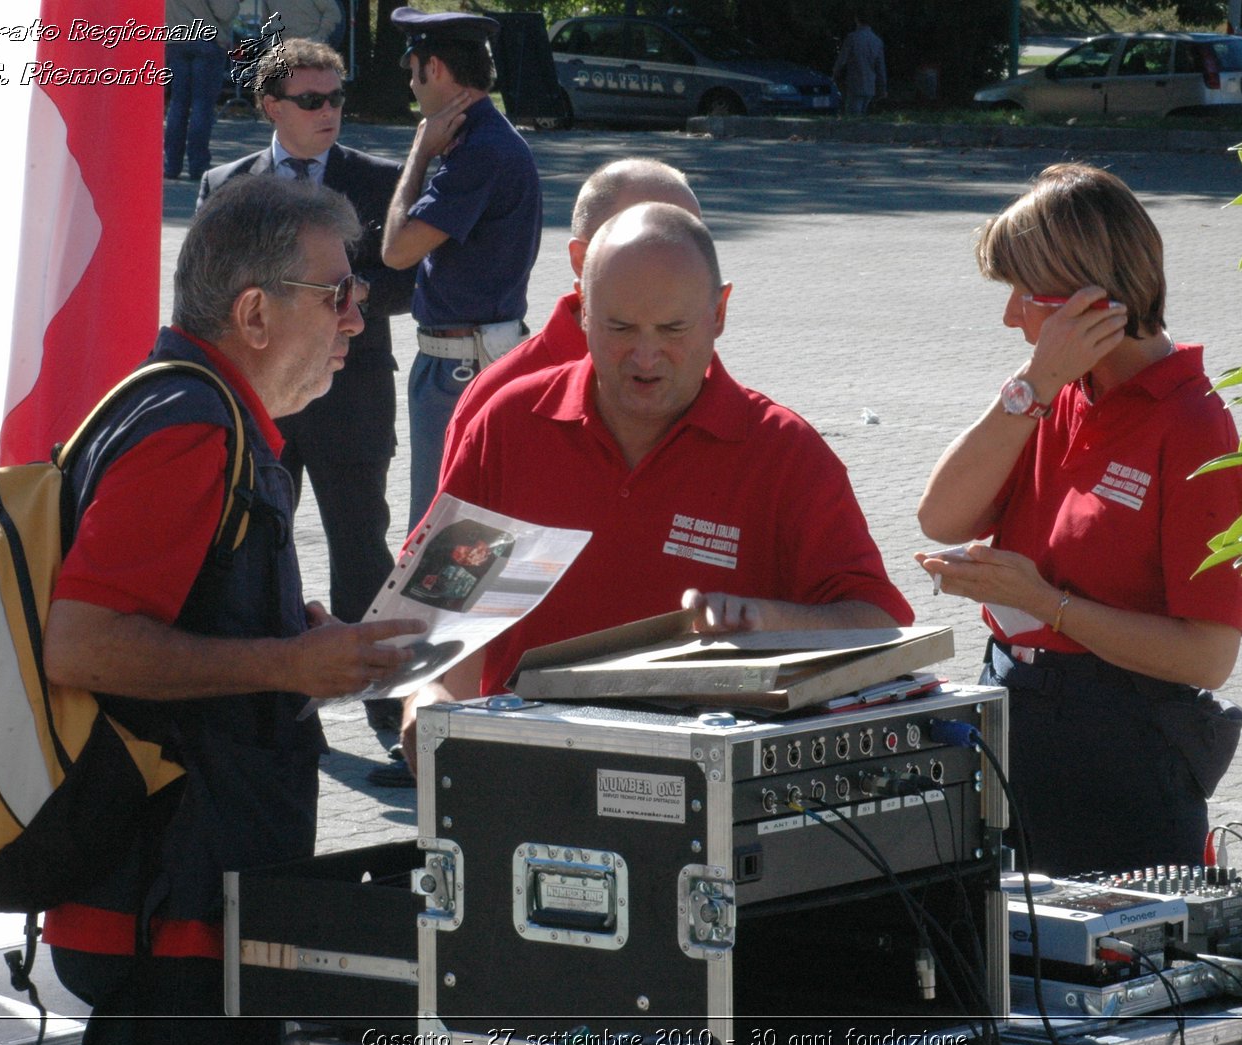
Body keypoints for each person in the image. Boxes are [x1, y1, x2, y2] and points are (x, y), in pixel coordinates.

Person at [40, 176, 426, 1045]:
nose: (356, 322)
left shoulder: (192, 406)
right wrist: (288, 664)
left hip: (175, 895)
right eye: (337, 297)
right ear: (255, 313)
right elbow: (83, 641)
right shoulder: (193, 426)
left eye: (358, 296)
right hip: (166, 910)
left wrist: (293, 636)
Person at [398, 202, 914, 769]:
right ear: (583, 312)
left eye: (672, 329)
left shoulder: (783, 453)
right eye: (620, 328)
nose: (645, 357)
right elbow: (443, 601)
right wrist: (427, 698)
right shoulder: (512, 422)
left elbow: (880, 626)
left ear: (720, 313)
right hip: (529, 770)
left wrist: (770, 621)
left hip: (709, 787)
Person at [916, 164, 1242, 877]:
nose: (1011, 316)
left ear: (1092, 300)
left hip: (1123, 758)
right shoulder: (1054, 395)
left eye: (1023, 294)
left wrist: (1047, 604)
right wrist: (1033, 388)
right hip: (1017, 723)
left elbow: (1208, 657)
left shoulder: (1193, 424)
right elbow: (940, 517)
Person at [197, 38, 417, 767]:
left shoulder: (378, 179)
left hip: (353, 398)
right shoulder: (226, 184)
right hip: (264, 401)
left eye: (338, 98)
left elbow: (409, 282)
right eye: (312, 100)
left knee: (363, 554)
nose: (330, 113)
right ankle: (280, 707)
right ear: (271, 106)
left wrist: (334, 298)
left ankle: (392, 715)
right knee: (261, 553)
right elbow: (210, 293)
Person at [381, 7, 542, 533]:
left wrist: (418, 153)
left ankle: (425, 622)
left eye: (413, 70)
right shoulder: (481, 137)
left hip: (461, 369)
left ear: (437, 69)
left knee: (439, 535)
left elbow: (397, 249)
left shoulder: (477, 149)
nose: (411, 83)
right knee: (463, 531)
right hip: (470, 359)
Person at [440, 157, 702, 474]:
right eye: (648, 244)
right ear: (581, 259)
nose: (682, 264)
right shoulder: (499, 400)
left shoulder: (722, 402)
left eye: (696, 243)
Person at [163, 0, 239, 181]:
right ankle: (198, 164)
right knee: (202, 105)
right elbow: (225, 11)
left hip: (176, 39)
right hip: (207, 39)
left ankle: (171, 164)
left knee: (178, 103)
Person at [832, 10, 887, 118]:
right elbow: (881, 68)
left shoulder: (852, 38)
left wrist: (834, 74)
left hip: (855, 84)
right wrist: (883, 89)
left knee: (852, 118)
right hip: (870, 86)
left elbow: (842, 61)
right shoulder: (877, 41)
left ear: (857, 20)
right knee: (863, 117)